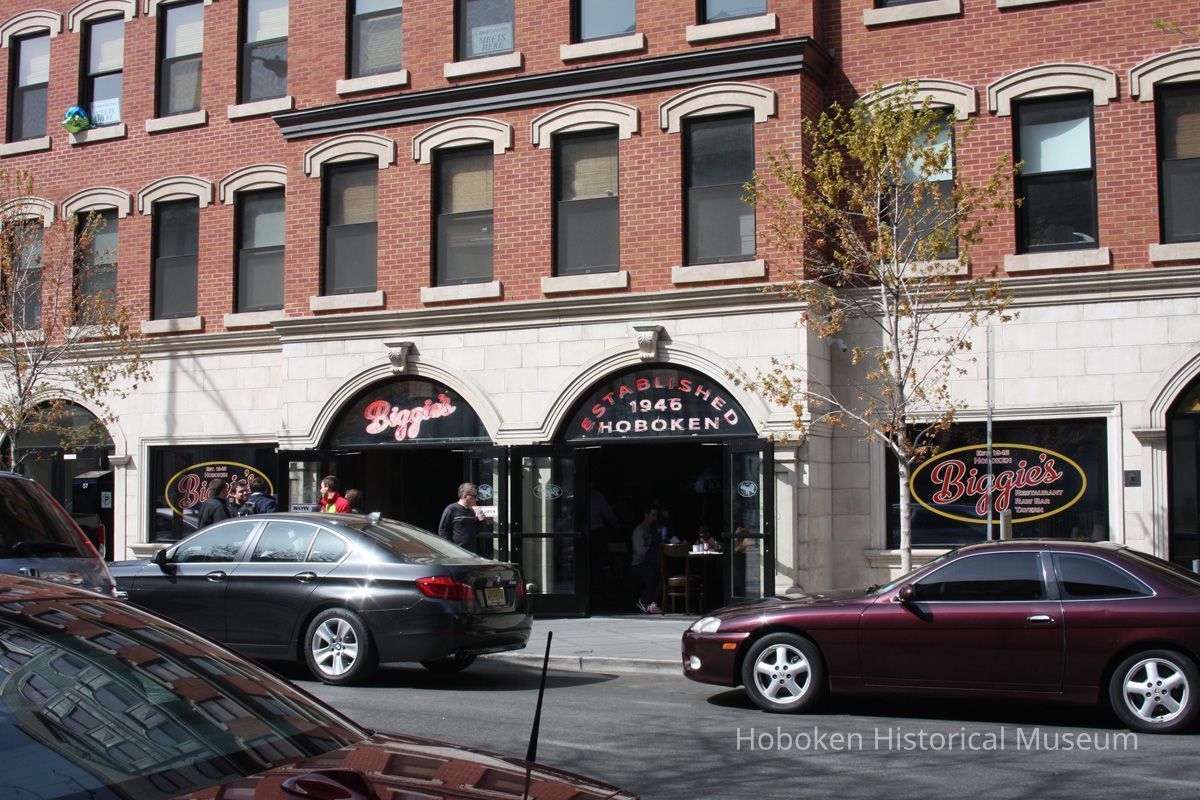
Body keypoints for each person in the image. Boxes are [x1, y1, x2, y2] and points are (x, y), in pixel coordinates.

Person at [631, 506, 662, 614]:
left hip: (651, 562)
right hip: (639, 564)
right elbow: (639, 551)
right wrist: (652, 548)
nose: (655, 518)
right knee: (654, 572)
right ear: (646, 515)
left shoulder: (654, 530)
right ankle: (644, 601)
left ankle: (653, 602)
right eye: (653, 515)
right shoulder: (638, 531)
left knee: (660, 571)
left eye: (656, 515)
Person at [438, 482, 481, 553]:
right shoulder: (451, 509)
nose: (476, 499)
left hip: (471, 552)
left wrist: (480, 519)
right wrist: (450, 547)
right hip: (457, 552)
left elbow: (475, 530)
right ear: (464, 496)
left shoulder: (472, 511)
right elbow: (442, 529)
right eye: (474, 496)